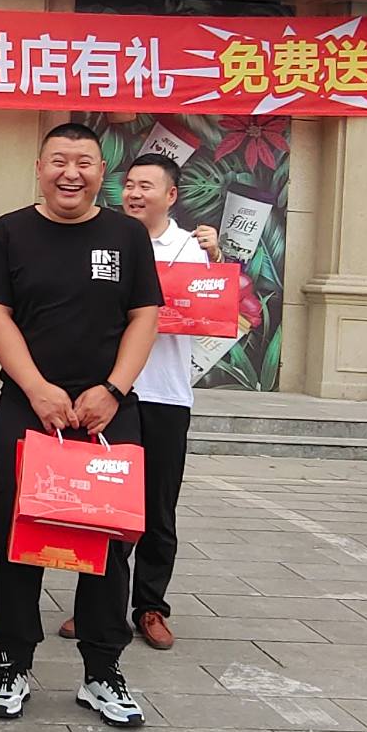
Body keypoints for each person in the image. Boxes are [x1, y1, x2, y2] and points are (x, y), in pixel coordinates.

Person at [0, 123, 161, 729]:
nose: (70, 173)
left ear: (101, 171)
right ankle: (12, 661)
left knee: (108, 542)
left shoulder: (126, 235)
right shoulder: (9, 232)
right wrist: (36, 388)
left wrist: (114, 389)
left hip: (108, 412)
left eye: (84, 161)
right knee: (17, 535)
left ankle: (103, 670)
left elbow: (144, 316)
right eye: (59, 160)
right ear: (39, 167)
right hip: (28, 409)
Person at [59, 154, 217, 653]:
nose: (134, 193)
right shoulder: (104, 241)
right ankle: (97, 606)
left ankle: (151, 606)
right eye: (129, 184)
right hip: (109, 395)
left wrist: (215, 259)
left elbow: (212, 309)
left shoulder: (192, 249)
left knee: (158, 510)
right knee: (103, 505)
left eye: (146, 186)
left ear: (171, 196)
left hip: (165, 395)